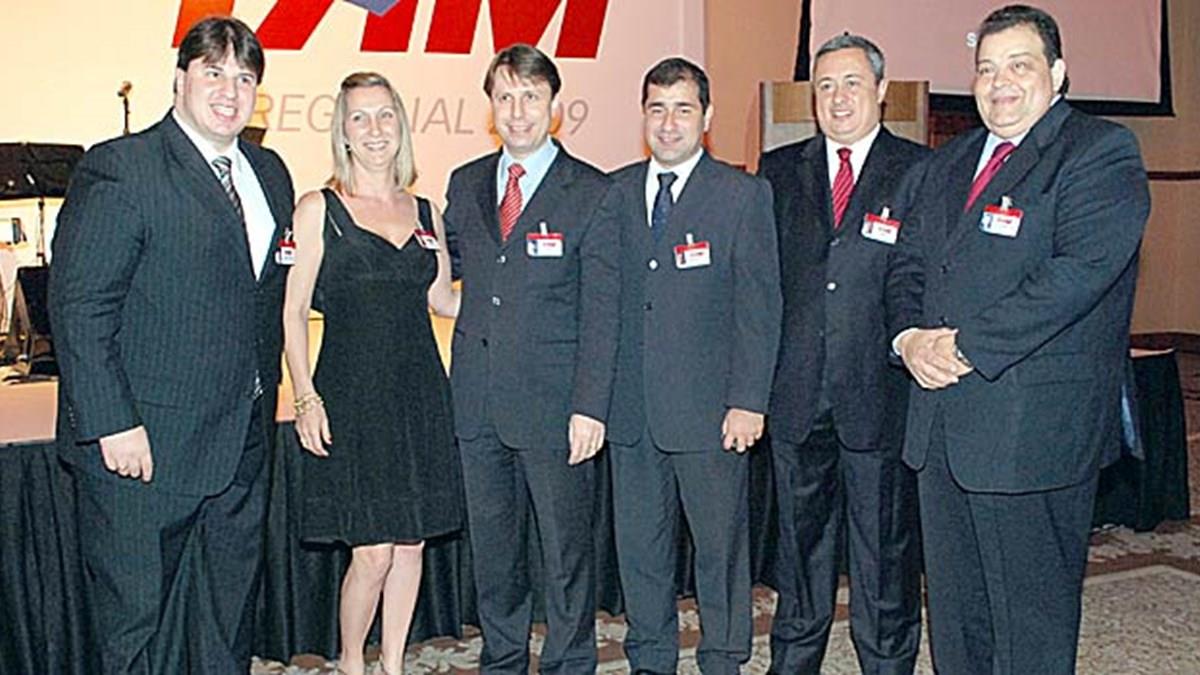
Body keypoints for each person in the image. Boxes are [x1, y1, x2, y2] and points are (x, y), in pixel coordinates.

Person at [888, 5, 1150, 673]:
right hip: (941, 429)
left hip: (1032, 433)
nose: (999, 83)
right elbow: (908, 265)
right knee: (957, 620)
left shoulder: (1100, 151)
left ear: (1057, 73)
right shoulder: (947, 164)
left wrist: (962, 346)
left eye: (1019, 66)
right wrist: (910, 338)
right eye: (986, 69)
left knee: (1029, 627)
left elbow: (1077, 274)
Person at [48, 16, 294, 674]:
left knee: (226, 623)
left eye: (244, 77)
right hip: (143, 449)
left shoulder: (269, 173)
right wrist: (112, 422)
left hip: (241, 442)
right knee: (135, 628)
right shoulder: (123, 167)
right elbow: (79, 307)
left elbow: (262, 295)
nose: (229, 91)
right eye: (213, 72)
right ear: (180, 80)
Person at [442, 43, 620, 674]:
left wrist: (590, 407)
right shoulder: (464, 183)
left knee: (565, 554)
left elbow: (603, 311)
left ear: (555, 107)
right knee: (494, 556)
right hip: (478, 403)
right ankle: (504, 659)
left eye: (531, 97)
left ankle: (570, 662)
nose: (518, 111)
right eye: (505, 97)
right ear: (490, 106)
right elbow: (446, 271)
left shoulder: (592, 191)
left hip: (556, 408)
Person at [282, 71, 462, 675]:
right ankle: (352, 663)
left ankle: (392, 664)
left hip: (420, 395)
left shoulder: (426, 212)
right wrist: (305, 397)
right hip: (352, 399)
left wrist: (515, 294)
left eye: (385, 115)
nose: (374, 128)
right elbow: (292, 310)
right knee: (374, 553)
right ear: (343, 132)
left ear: (400, 126)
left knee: (411, 544)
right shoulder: (319, 209)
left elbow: (443, 299)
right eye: (360, 117)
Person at [606, 57, 781, 675]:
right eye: (657, 109)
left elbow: (760, 306)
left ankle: (724, 656)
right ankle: (650, 657)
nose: (668, 122)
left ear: (706, 117)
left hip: (713, 415)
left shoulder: (742, 195)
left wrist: (749, 401)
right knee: (641, 552)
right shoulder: (616, 192)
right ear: (643, 116)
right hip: (632, 414)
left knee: (720, 552)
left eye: (683, 109)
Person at [758, 34, 926, 674]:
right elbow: (760, 286)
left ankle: (886, 663)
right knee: (799, 555)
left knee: (885, 554)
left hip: (881, 394)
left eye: (852, 83)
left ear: (881, 90)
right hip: (797, 394)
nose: (838, 98)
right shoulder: (778, 170)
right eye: (825, 85)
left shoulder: (918, 170)